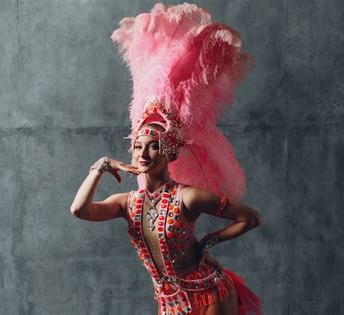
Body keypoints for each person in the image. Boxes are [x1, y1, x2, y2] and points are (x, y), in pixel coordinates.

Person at [71, 3, 263, 314]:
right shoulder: (128, 204)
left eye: (154, 146)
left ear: (170, 152)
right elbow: (79, 210)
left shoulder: (187, 197)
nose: (144, 153)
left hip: (208, 294)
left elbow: (251, 218)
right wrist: (101, 166)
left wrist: (210, 241)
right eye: (138, 146)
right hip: (169, 301)